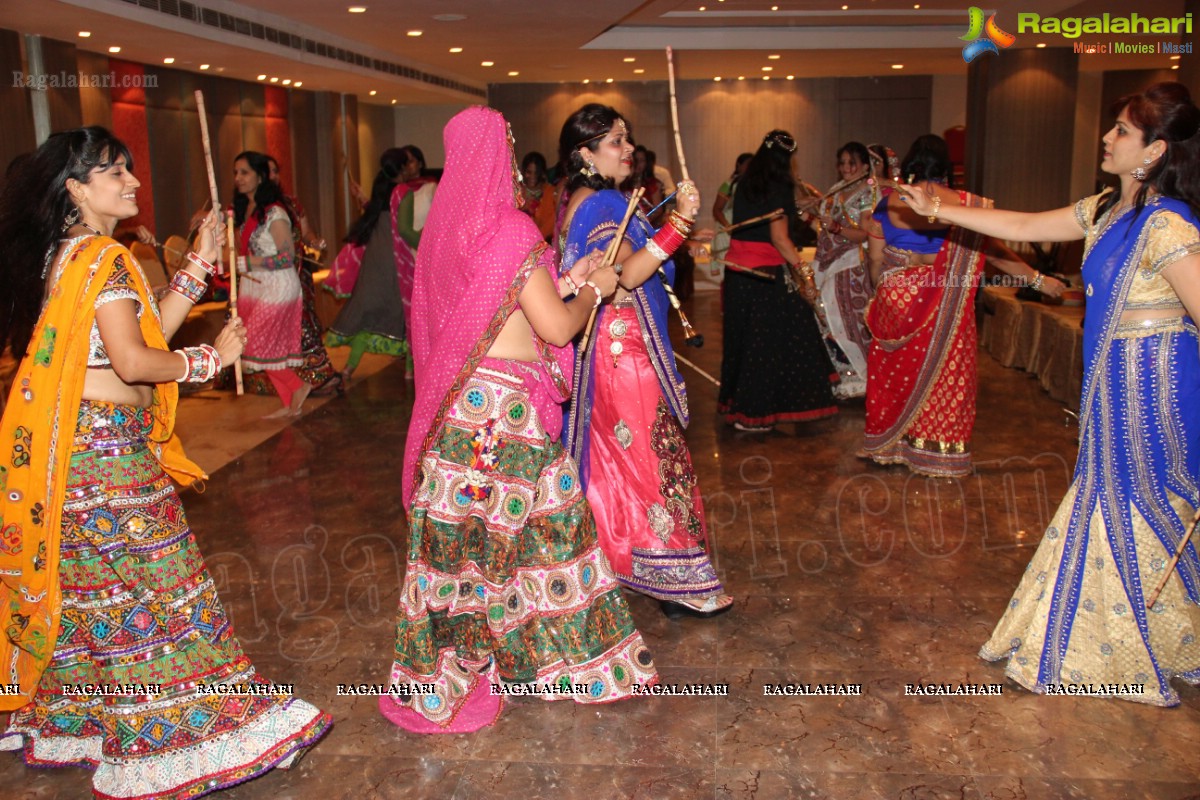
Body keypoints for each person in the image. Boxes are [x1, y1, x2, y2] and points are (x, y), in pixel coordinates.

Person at [0, 126, 330, 796]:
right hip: (111, 459)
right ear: (75, 188)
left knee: (106, 596)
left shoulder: (64, 255)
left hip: (76, 455)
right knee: (168, 593)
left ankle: (95, 723)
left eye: (129, 169)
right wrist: (211, 360)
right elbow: (134, 360)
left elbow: (137, 327)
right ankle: (185, 732)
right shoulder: (102, 255)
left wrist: (200, 264)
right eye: (115, 173)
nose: (133, 183)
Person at [898, 83, 1200, 704]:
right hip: (1111, 382)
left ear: (1155, 151)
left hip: (1154, 388)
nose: (1107, 138)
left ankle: (1130, 642)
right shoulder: (1108, 210)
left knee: (1141, 500)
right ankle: (1146, 634)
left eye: (1122, 131)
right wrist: (937, 210)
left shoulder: (1167, 224)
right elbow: (1021, 223)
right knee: (1113, 495)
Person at [381, 106, 657, 734]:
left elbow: (497, 305)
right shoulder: (509, 230)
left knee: (467, 555)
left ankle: (467, 664)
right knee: (554, 537)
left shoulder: (445, 236)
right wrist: (594, 288)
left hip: (460, 416)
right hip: (508, 422)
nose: (512, 158)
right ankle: (576, 664)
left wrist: (566, 275)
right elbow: (555, 326)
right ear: (493, 155)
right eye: (506, 146)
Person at [558, 103, 733, 618]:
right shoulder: (597, 204)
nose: (628, 149)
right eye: (616, 141)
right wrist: (676, 226)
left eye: (627, 138)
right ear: (584, 153)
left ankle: (634, 562)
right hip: (621, 348)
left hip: (620, 344)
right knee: (654, 458)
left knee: (631, 460)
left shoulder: (598, 199)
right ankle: (673, 573)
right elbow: (627, 276)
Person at [859, 134, 1065, 477]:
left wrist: (882, 292)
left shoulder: (891, 201)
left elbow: (876, 260)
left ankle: (895, 445)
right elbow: (995, 251)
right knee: (948, 371)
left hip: (898, 295)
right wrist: (1038, 279)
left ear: (911, 164)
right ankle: (937, 451)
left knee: (896, 372)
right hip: (946, 297)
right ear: (947, 167)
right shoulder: (965, 205)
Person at [720, 130, 838, 432]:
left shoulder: (745, 182)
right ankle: (757, 413)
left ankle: (743, 408)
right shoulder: (779, 185)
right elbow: (780, 238)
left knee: (745, 343)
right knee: (774, 344)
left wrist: (796, 207)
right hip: (764, 274)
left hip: (737, 273)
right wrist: (803, 270)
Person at [324, 147, 424, 384]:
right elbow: (405, 230)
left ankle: (349, 367)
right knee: (406, 312)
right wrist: (431, 242)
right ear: (401, 168)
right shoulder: (404, 192)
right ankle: (410, 371)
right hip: (396, 261)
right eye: (408, 163)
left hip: (375, 260)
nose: (412, 167)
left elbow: (378, 217)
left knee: (369, 315)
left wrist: (362, 198)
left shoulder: (381, 188)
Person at [232, 151, 311, 418]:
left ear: (260, 176)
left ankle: (298, 386)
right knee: (265, 347)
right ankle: (290, 403)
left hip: (277, 286)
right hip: (254, 287)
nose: (238, 178)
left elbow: (286, 257)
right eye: (236, 173)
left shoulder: (275, 212)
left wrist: (245, 263)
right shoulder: (246, 211)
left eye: (244, 172)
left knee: (252, 342)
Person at [802, 141, 877, 399]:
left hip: (850, 265)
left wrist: (835, 228)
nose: (846, 168)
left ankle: (861, 377)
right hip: (826, 261)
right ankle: (840, 375)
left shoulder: (868, 194)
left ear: (865, 166)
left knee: (844, 319)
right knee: (824, 317)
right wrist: (810, 213)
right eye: (842, 163)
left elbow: (866, 233)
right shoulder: (836, 190)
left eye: (851, 163)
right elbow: (824, 228)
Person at [266, 155, 341, 395]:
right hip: (265, 279)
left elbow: (306, 232)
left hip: (296, 274)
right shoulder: (250, 209)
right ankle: (290, 381)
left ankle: (317, 375)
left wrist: (315, 241)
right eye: (268, 172)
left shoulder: (291, 203)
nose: (273, 176)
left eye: (275, 171)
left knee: (303, 325)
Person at [519, 151, 558, 241]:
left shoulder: (551, 193)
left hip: (543, 245)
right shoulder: (515, 191)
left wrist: (536, 240)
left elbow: (552, 223)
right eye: (529, 172)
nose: (532, 176)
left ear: (542, 173)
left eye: (536, 173)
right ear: (523, 171)